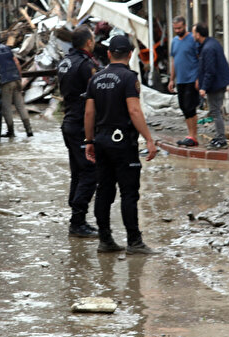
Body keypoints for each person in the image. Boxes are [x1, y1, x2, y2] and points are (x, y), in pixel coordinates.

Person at [84, 34, 158, 255]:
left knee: (104, 191)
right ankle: (134, 242)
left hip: (102, 141)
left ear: (108, 54)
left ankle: (105, 240)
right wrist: (149, 139)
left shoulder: (95, 79)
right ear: (130, 54)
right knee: (128, 193)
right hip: (123, 143)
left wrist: (89, 141)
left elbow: (89, 113)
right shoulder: (128, 79)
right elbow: (134, 110)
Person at [58, 26, 100, 238]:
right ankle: (77, 221)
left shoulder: (65, 62)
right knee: (90, 172)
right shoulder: (86, 65)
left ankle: (78, 217)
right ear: (88, 43)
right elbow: (95, 96)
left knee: (78, 170)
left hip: (69, 121)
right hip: (81, 123)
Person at [194, 23, 229, 150]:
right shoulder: (211, 43)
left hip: (216, 84)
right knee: (215, 111)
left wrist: (203, 87)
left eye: (194, 32)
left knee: (216, 112)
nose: (193, 35)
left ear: (198, 34)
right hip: (218, 82)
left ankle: (221, 140)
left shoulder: (208, 48)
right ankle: (218, 136)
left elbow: (210, 70)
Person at [167, 17, 201, 147]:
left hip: (192, 78)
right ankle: (189, 134)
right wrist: (171, 79)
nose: (177, 30)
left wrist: (199, 78)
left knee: (190, 106)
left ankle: (194, 136)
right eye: (175, 28)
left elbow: (199, 59)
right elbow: (174, 61)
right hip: (180, 79)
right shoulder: (174, 41)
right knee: (183, 107)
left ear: (185, 26)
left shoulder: (193, 39)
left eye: (180, 28)